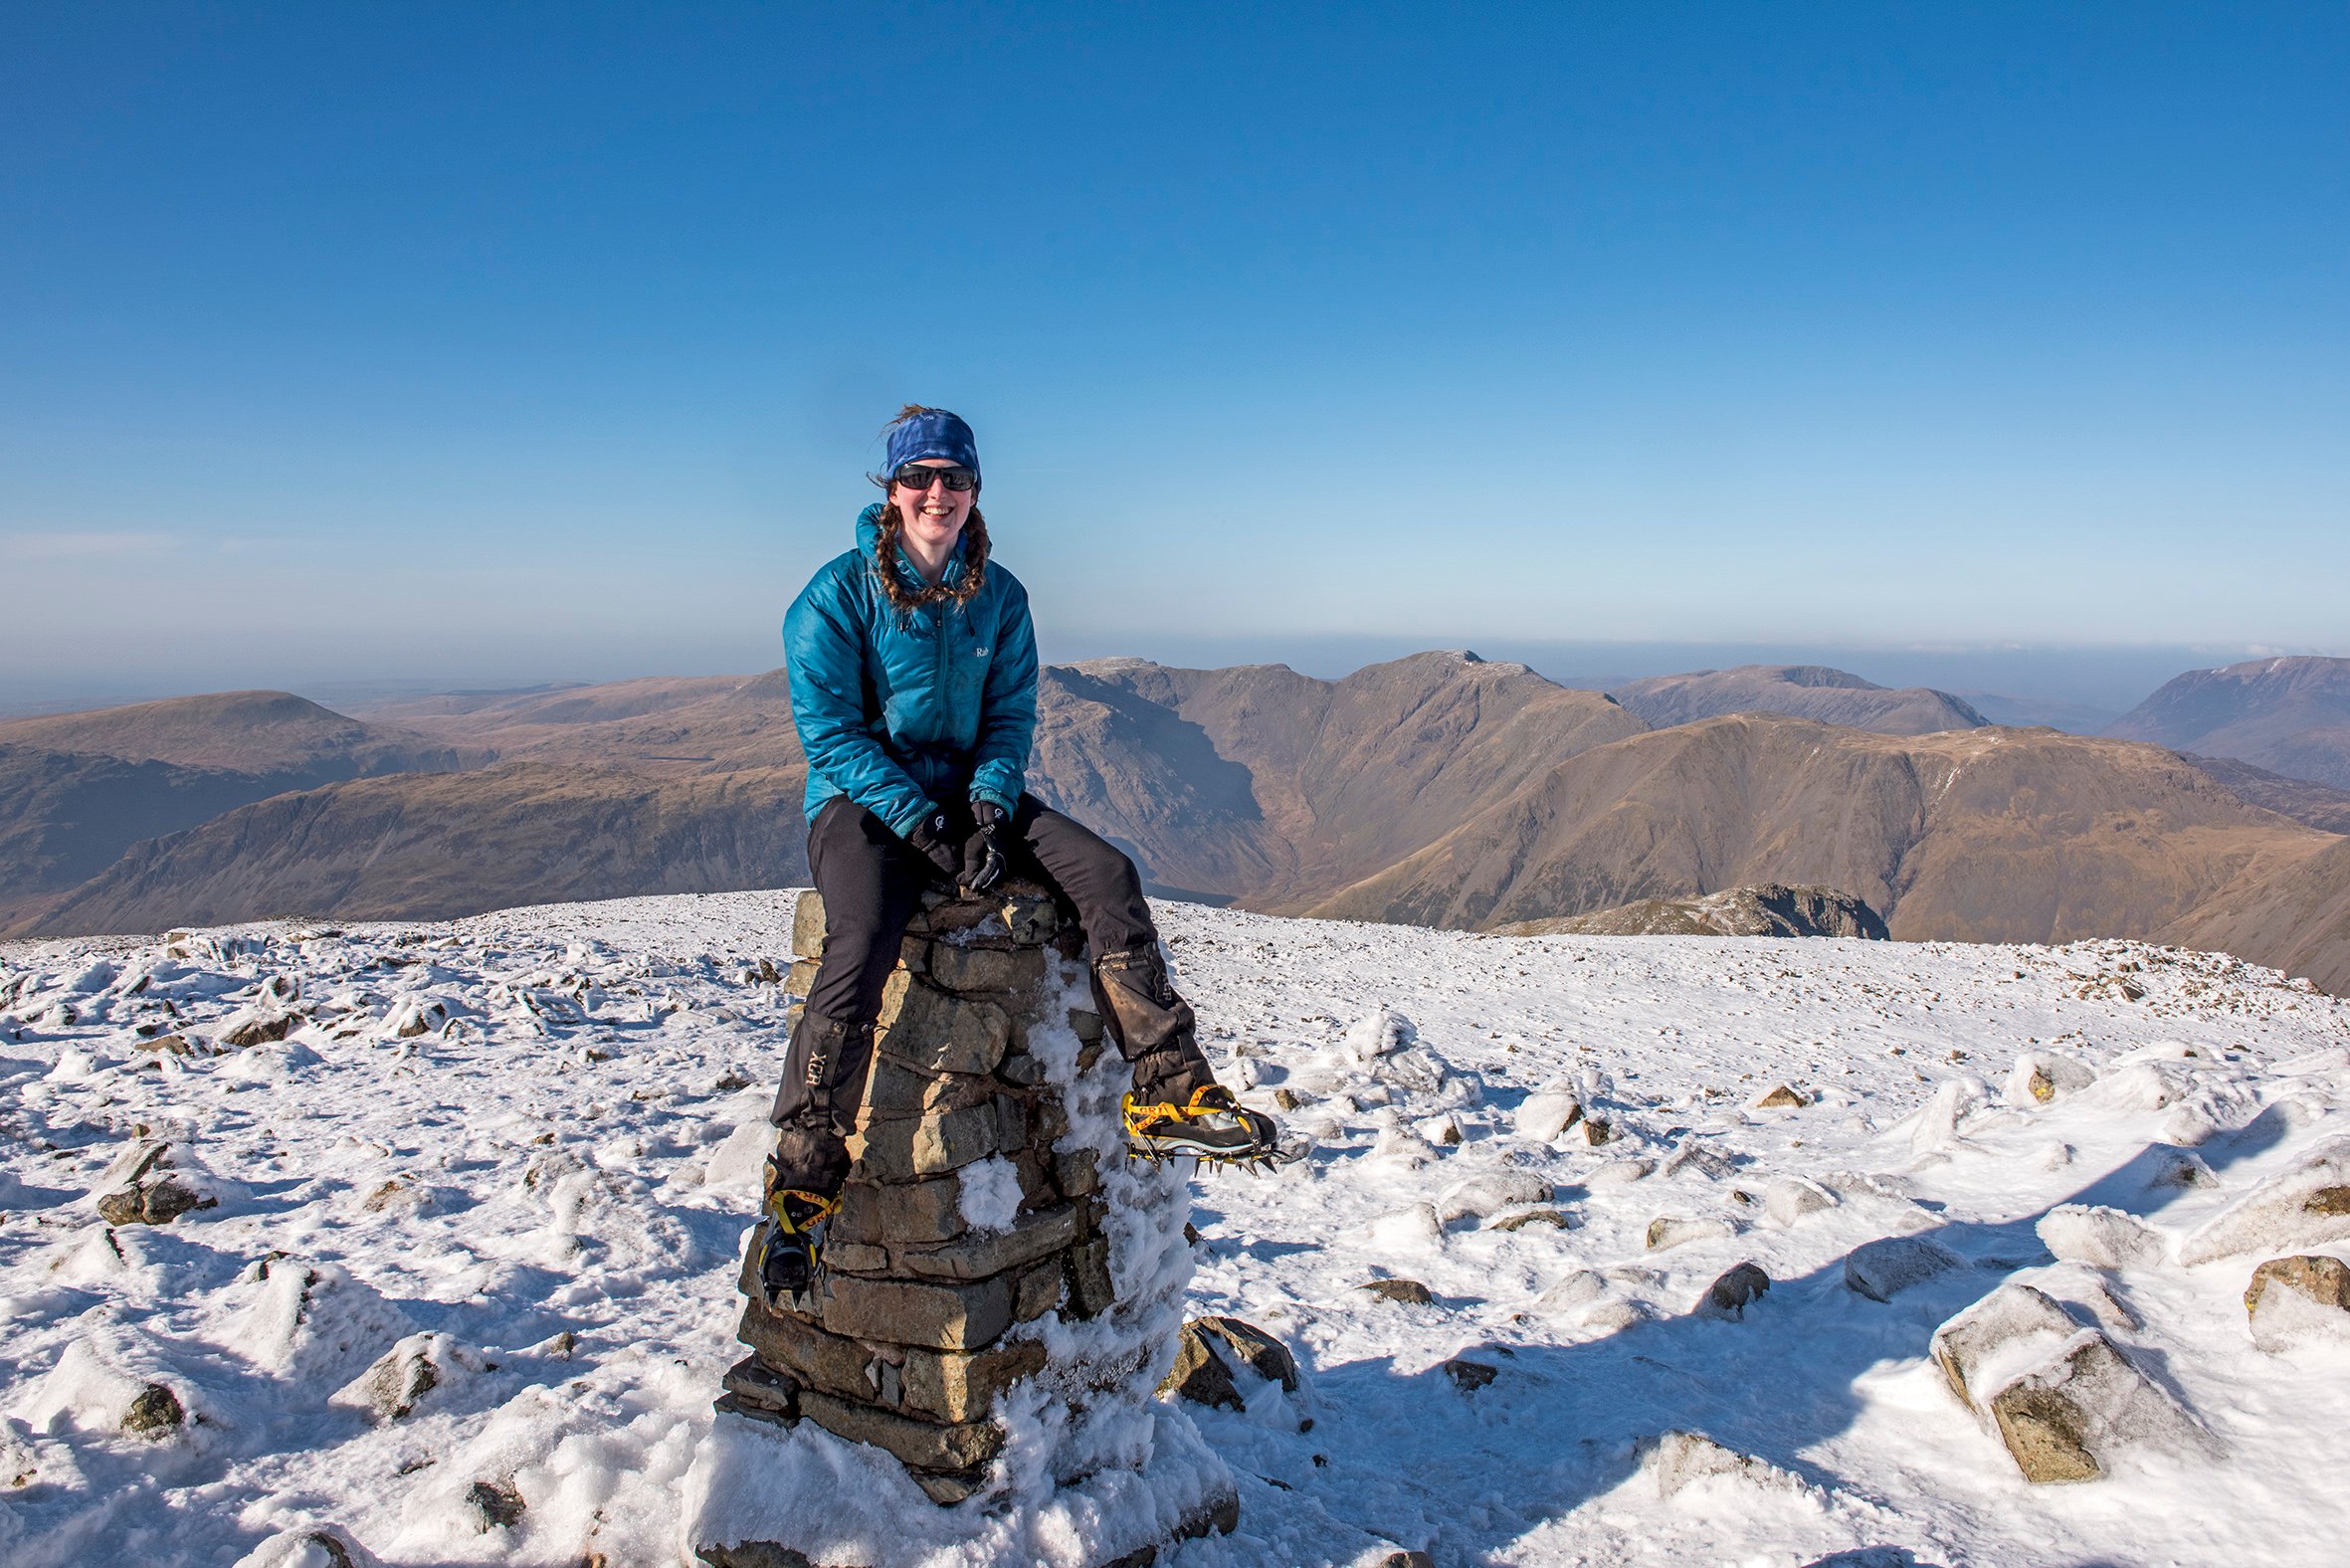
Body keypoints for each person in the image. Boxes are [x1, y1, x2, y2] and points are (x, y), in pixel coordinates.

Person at [758, 405, 1281, 1304]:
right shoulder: (835, 596)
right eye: (919, 478)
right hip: (863, 803)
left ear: (974, 493)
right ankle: (803, 1184)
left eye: (952, 480)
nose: (936, 494)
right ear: (890, 492)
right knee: (861, 941)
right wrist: (923, 824)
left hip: (970, 798)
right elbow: (833, 736)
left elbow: (1009, 720)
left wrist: (991, 810)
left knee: (1107, 874)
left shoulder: (1000, 597)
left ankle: (1167, 1089)